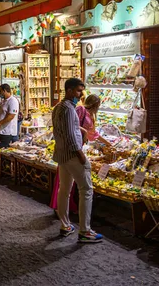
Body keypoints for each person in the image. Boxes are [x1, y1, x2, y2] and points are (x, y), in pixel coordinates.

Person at [52, 78, 103, 243]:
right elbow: (69, 135)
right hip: (73, 155)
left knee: (64, 190)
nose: (81, 94)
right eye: (78, 91)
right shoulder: (68, 109)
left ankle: (65, 225)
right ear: (69, 90)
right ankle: (85, 231)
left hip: (62, 155)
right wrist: (80, 155)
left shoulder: (59, 107)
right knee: (86, 190)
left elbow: (64, 131)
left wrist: (79, 129)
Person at [0, 84, 20, 148]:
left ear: (4, 91)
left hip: (8, 132)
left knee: (4, 150)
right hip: (1, 131)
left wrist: (0, 123)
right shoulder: (3, 101)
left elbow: (11, 116)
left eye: (0, 91)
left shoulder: (13, 101)